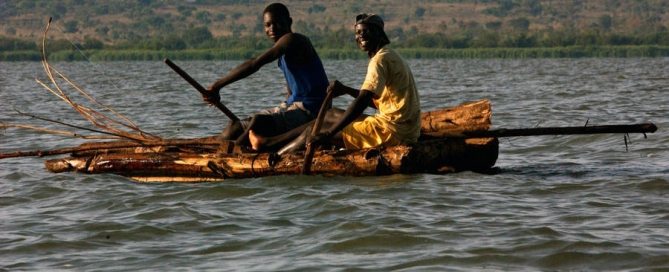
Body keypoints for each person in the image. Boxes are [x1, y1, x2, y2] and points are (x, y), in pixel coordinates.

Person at [249, 13, 421, 154]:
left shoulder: (379, 61)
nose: (360, 37)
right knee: (329, 114)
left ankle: (275, 156)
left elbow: (362, 101)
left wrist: (329, 134)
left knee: (314, 132)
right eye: (358, 33)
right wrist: (345, 90)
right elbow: (375, 101)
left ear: (379, 34)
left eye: (366, 32)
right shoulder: (390, 55)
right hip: (404, 129)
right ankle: (270, 142)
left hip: (391, 132)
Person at [204, 2, 328, 147]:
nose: (272, 29)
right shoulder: (283, 52)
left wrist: (217, 85)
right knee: (235, 126)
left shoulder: (292, 40)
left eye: (277, 23)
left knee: (258, 122)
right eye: (268, 25)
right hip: (293, 108)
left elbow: (255, 63)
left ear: (289, 22)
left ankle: (233, 155)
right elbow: (291, 92)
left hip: (310, 112)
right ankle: (218, 150)